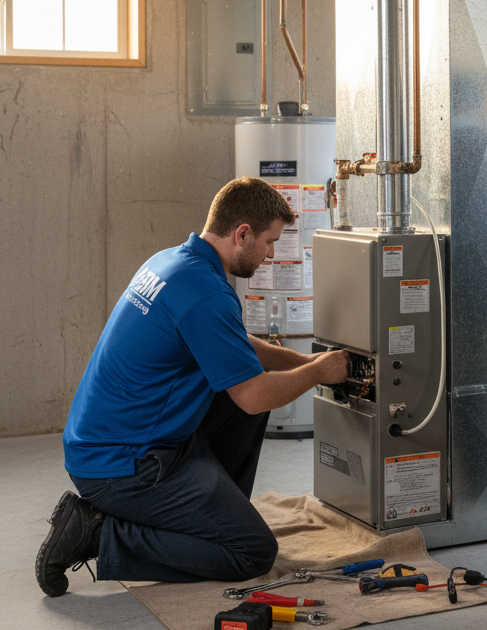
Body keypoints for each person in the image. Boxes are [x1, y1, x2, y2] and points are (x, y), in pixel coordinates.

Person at [35, 176, 349, 597]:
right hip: (122, 467)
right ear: (242, 234)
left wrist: (306, 361)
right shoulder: (206, 293)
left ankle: (210, 516)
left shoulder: (173, 263)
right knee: (252, 552)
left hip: (104, 442)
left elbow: (234, 344)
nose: (271, 254)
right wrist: (318, 374)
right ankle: (97, 532)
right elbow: (254, 396)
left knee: (239, 394)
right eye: (270, 242)